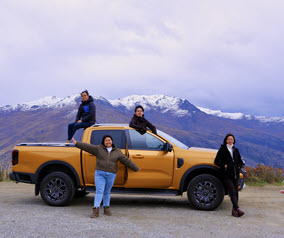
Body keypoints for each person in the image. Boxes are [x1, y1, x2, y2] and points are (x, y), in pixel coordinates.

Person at [72, 135, 140, 218]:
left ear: (112, 141)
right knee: (99, 191)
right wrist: (77, 143)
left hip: (111, 174)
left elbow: (126, 160)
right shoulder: (98, 149)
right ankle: (95, 210)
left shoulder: (117, 151)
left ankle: (106, 208)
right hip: (100, 173)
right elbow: (88, 147)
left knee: (107, 192)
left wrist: (136, 168)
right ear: (103, 142)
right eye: (106, 140)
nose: (108, 142)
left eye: (109, 140)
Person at [214, 133, 245, 217]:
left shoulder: (236, 150)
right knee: (232, 190)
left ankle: (234, 211)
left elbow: (240, 162)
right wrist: (224, 165)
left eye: (232, 139)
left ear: (234, 140)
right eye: (229, 139)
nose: (230, 140)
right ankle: (237, 208)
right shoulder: (222, 149)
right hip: (226, 174)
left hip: (235, 174)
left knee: (236, 192)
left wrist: (239, 167)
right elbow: (216, 161)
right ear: (226, 140)